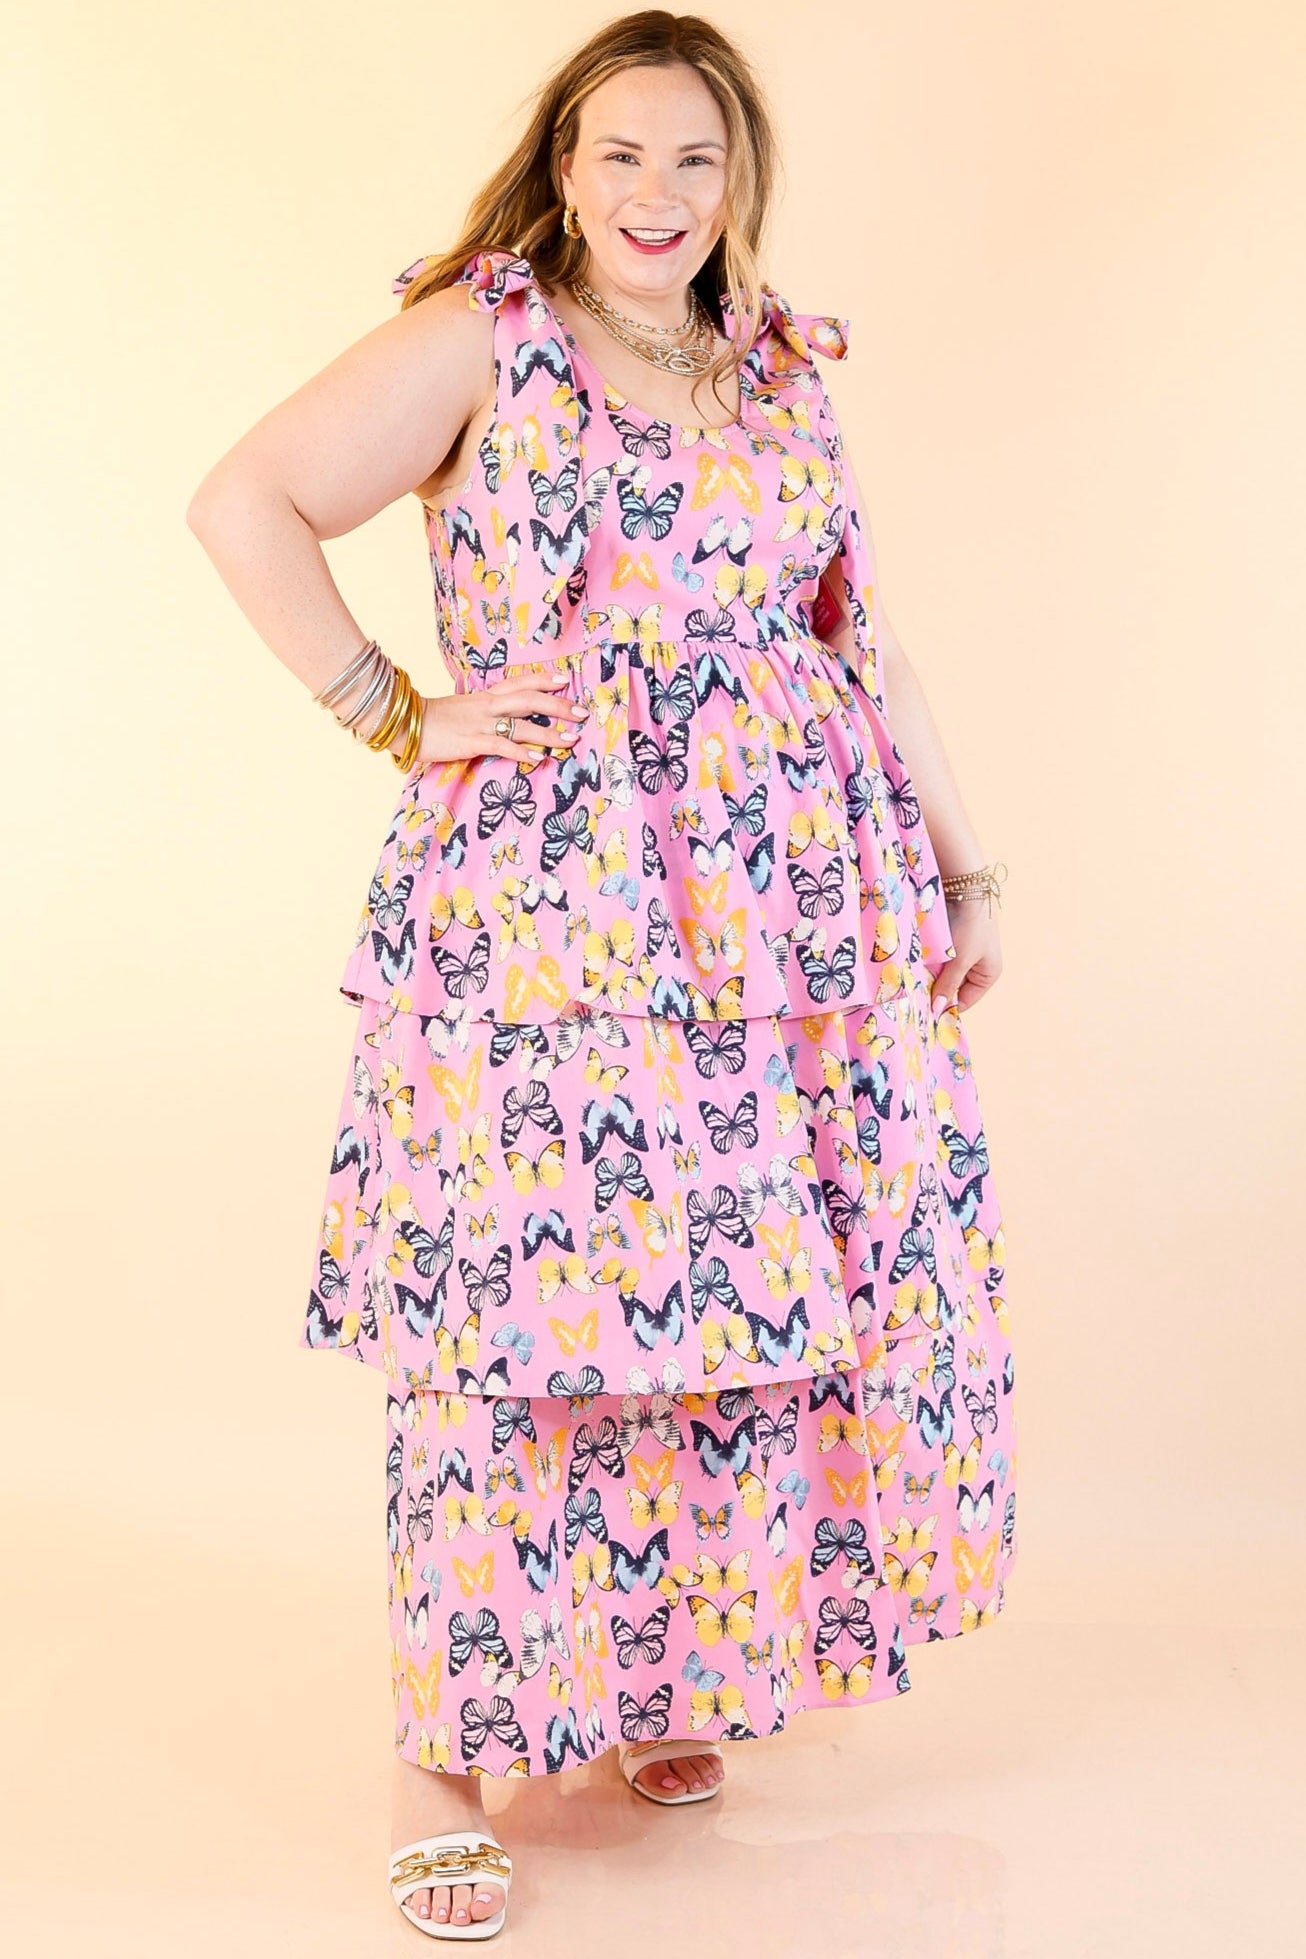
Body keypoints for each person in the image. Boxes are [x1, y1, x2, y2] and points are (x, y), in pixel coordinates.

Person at [187, 9, 1018, 1942]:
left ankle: (647, 1679)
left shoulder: (774, 364)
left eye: (694, 159)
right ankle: (439, 1756)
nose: (657, 193)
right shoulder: (484, 334)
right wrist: (400, 713)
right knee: (520, 1323)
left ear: (738, 183)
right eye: (621, 153)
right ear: (563, 169)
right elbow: (245, 499)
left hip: (789, 920)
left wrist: (960, 863)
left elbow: (859, 642)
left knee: (727, 1310)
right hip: (563, 923)